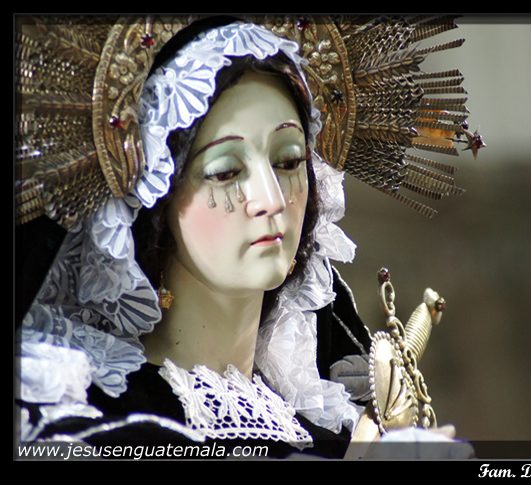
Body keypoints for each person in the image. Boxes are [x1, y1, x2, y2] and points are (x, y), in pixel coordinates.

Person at [16, 15, 481, 459]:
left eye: (289, 161)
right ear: (156, 198)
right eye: (225, 171)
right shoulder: (86, 426)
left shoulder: (340, 431)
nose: (271, 200)